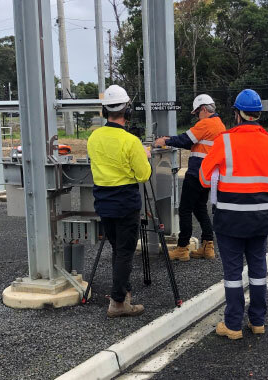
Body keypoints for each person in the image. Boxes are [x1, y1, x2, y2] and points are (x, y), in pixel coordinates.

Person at [199, 89, 268, 340]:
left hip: (230, 219)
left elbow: (204, 178)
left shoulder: (224, 142)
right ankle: (258, 321)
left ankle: (233, 324)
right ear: (258, 115)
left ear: (236, 114)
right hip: (260, 217)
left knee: (233, 275)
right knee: (258, 270)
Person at [87, 85, 152, 318]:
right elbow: (144, 175)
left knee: (117, 248)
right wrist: (144, 156)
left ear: (105, 111)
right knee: (125, 251)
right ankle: (118, 302)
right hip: (125, 202)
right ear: (128, 111)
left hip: (103, 201)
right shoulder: (131, 141)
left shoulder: (94, 138)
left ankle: (123, 291)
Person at [154, 94, 226, 261]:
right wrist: (172, 140)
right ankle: (208, 246)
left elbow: (185, 139)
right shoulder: (219, 124)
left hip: (196, 173)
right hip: (209, 175)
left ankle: (182, 248)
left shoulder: (205, 123)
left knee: (185, 209)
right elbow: (190, 142)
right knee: (199, 207)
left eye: (197, 113)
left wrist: (165, 140)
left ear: (203, 109)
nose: (196, 117)